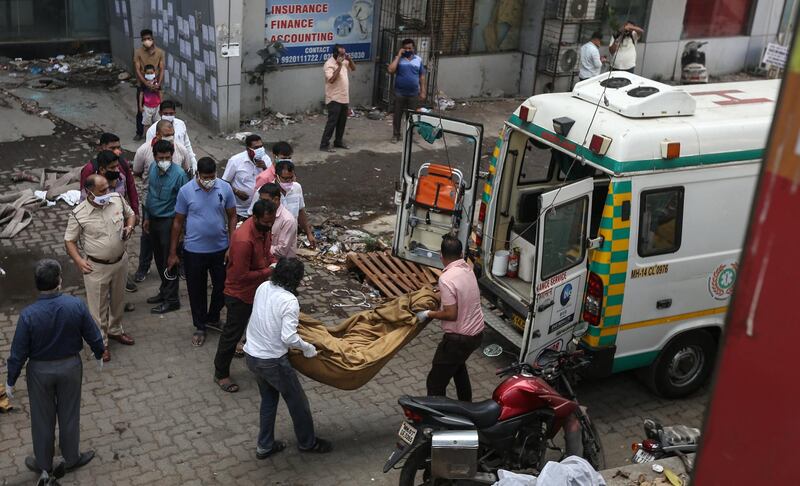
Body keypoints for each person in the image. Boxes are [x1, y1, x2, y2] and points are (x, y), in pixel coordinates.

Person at [5, 259, 104, 477]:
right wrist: (99, 353)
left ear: (37, 284)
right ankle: (71, 458)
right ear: (59, 280)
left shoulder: (28, 315)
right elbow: (92, 334)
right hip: (70, 367)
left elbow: (18, 353)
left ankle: (44, 465)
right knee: (69, 414)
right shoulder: (75, 305)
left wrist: (11, 380)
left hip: (40, 372)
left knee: (42, 418)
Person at [244, 257, 332, 457]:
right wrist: (308, 348)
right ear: (296, 279)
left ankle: (264, 446)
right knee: (298, 402)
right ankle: (307, 443)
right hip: (272, 361)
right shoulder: (290, 301)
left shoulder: (263, 287)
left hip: (252, 355)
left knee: (268, 399)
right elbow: (288, 337)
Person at [64, 175, 136, 362]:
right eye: (102, 190)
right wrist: (79, 261)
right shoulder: (79, 214)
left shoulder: (117, 199)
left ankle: (115, 330)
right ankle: (101, 343)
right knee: (98, 308)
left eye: (108, 188)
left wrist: (129, 227)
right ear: (89, 192)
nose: (107, 193)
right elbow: (69, 240)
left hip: (120, 262)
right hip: (96, 267)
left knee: (118, 301)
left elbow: (131, 214)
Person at [168, 157, 237, 346]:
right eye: (206, 177)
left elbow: (232, 217)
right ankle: (200, 325)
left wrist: (232, 245)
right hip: (194, 251)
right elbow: (178, 222)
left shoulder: (224, 188)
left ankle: (213, 317)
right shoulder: (186, 191)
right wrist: (173, 252)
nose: (209, 180)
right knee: (196, 290)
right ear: (198, 174)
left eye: (212, 176)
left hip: (221, 249)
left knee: (223, 287)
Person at [213, 200, 277, 393]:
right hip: (240, 294)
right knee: (232, 334)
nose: (269, 226)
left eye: (271, 222)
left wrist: (272, 263)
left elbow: (267, 254)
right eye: (265, 223)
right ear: (255, 217)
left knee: (261, 329)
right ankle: (220, 372)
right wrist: (268, 271)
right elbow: (240, 275)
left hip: (258, 290)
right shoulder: (243, 240)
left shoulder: (264, 230)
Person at [417, 235, 485, 402]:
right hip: (476, 335)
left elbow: (451, 314)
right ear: (461, 253)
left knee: (435, 382)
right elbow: (459, 293)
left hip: (458, 340)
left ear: (441, 255)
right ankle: (467, 406)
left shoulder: (446, 279)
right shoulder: (467, 269)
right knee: (458, 368)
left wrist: (428, 314)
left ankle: (437, 418)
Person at [131, 119, 190, 284]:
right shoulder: (147, 158)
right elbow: (141, 179)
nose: (170, 138)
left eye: (172, 135)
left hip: (171, 215)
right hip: (152, 211)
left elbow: (184, 192)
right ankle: (145, 270)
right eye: (166, 135)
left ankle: (172, 288)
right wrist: (148, 216)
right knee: (150, 242)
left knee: (172, 247)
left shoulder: (179, 160)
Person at [143, 140, 189, 314]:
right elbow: (150, 194)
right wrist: (147, 217)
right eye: (160, 157)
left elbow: (185, 205)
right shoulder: (154, 169)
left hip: (169, 223)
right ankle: (164, 291)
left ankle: (172, 300)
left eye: (167, 158)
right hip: (154, 220)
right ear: (154, 157)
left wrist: (182, 231)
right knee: (159, 259)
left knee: (170, 260)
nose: (164, 161)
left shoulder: (179, 175)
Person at [388, 39, 427, 143]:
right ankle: (396, 135)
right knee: (397, 115)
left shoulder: (418, 59)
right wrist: (398, 56)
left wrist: (423, 91)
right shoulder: (399, 59)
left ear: (413, 48)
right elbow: (391, 70)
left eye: (409, 48)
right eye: (405, 48)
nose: (408, 50)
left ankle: (410, 135)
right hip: (399, 93)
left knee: (412, 116)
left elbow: (422, 76)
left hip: (413, 94)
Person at [223, 134, 270, 220]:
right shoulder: (235, 161)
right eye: (256, 148)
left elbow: (272, 180)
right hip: (240, 211)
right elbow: (224, 182)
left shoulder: (266, 159)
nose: (260, 150)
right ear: (248, 149)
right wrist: (237, 192)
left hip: (260, 210)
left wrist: (265, 168)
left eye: (261, 147)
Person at [320, 44, 355, 152]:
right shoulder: (329, 64)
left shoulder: (344, 61)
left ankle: (338, 141)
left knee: (342, 122)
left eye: (344, 53)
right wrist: (339, 66)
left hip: (344, 97)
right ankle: (324, 144)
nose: (343, 56)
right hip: (334, 98)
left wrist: (350, 60)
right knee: (332, 122)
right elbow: (331, 80)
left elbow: (353, 68)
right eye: (341, 54)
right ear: (335, 54)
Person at [145, 100, 197, 173]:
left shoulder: (181, 124)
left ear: (175, 113)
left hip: (180, 162)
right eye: (165, 113)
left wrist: (192, 158)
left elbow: (187, 143)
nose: (168, 116)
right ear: (160, 113)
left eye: (171, 113)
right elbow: (150, 151)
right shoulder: (152, 130)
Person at [274, 160, 316, 249]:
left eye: (291, 177)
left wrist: (309, 233)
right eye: (285, 179)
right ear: (276, 176)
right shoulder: (265, 192)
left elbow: (300, 211)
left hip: (292, 238)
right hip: (273, 239)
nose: (289, 181)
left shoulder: (297, 187)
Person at [133, 29, 164, 142]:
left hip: (156, 84)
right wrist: (145, 83)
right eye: (144, 39)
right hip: (142, 83)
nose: (147, 41)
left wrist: (158, 84)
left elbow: (161, 68)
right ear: (141, 41)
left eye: (149, 39)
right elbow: (137, 68)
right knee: (141, 109)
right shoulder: (138, 52)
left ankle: (158, 133)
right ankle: (139, 132)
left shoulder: (160, 52)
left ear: (153, 39)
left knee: (158, 110)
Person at [255, 183, 297, 258]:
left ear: (276, 200)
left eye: (265, 201)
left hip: (282, 265)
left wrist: (260, 249)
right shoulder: (263, 214)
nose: (262, 204)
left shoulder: (288, 220)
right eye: (261, 200)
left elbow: (282, 250)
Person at [140, 64, 162, 130]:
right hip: (147, 106)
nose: (150, 74)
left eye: (151, 73)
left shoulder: (156, 83)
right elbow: (141, 94)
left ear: (154, 72)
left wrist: (161, 103)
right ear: (144, 73)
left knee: (157, 123)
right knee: (146, 124)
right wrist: (140, 106)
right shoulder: (144, 83)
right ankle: (148, 138)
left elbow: (160, 93)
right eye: (148, 73)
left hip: (157, 106)